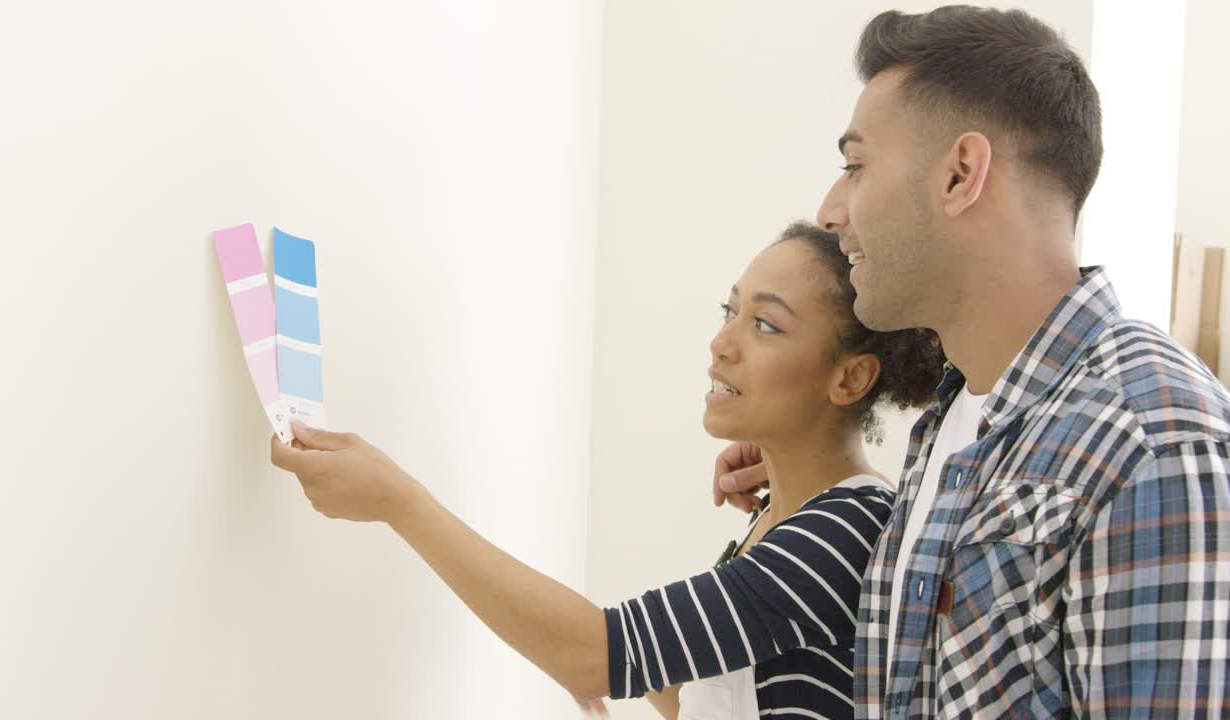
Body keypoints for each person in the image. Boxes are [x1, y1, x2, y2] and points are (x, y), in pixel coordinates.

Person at [712, 6, 1230, 719]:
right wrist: (797, 455)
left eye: (856, 165)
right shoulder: (954, 422)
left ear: (962, 173)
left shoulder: (1157, 448)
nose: (832, 207)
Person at [271, 222, 945, 717]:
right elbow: (696, 690)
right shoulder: (783, 516)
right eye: (729, 311)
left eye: (765, 326)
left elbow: (603, 651)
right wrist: (586, 648)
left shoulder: (844, 531)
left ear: (851, 376)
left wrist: (399, 502)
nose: (722, 343)